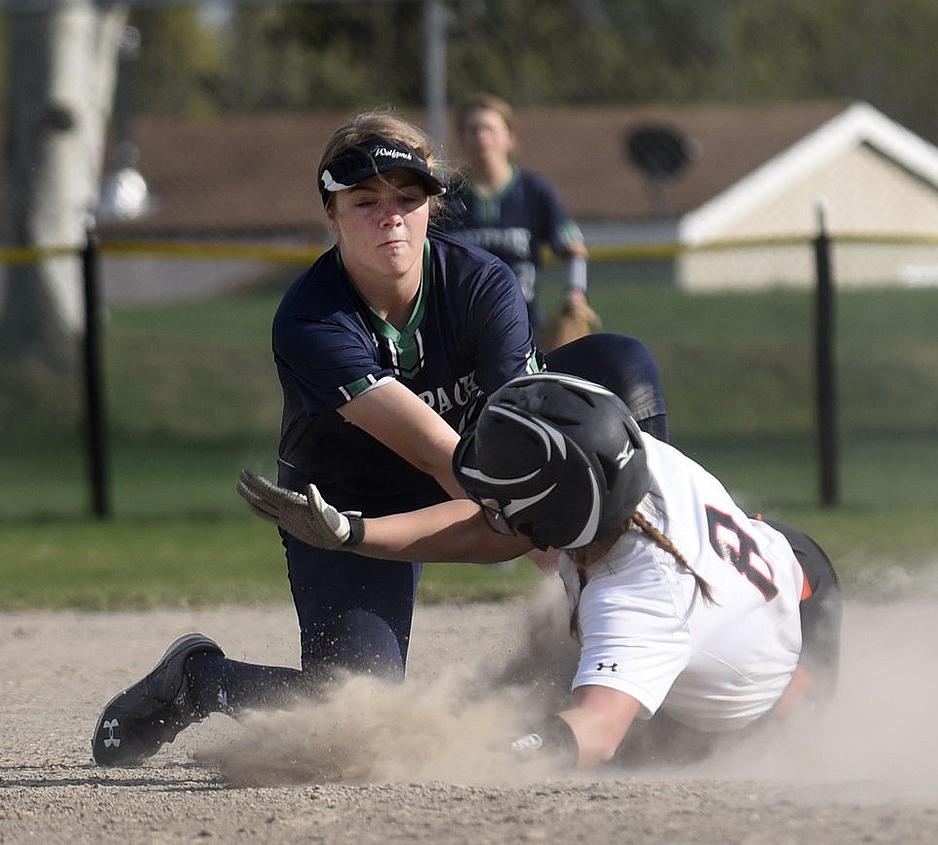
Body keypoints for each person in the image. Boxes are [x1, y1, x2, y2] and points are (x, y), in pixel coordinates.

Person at [91, 111, 667, 767]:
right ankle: (197, 680)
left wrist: (616, 575)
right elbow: (437, 453)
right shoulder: (311, 317)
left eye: (408, 197)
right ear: (331, 214)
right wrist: (559, 558)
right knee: (355, 715)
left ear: (432, 207)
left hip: (479, 463)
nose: (389, 215)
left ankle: (658, 572)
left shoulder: (483, 284)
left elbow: (520, 438)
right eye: (365, 201)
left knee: (621, 362)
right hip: (348, 502)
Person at [236, 372, 843, 770]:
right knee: (532, 683)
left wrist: (487, 750)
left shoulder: (635, 600)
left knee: (628, 742)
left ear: (555, 520)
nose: (490, 508)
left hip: (784, 674)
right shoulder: (624, 454)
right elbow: (487, 530)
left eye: (504, 502)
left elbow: (596, 733)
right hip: (787, 562)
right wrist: (354, 532)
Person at [446, 93, 593, 340]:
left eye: (490, 129)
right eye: (472, 130)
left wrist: (575, 296)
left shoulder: (534, 191)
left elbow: (574, 251)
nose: (482, 136)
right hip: (460, 332)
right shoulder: (447, 196)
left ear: (509, 137)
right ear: (461, 139)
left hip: (524, 327)